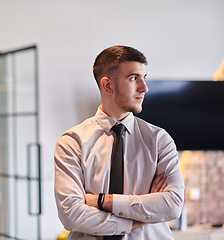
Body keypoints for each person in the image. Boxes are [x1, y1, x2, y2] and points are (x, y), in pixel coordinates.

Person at [54, 45, 185, 240]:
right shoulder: (72, 142)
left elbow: (173, 205)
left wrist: (103, 201)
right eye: (134, 78)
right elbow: (72, 215)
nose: (144, 88)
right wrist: (139, 217)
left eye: (144, 78)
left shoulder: (159, 139)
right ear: (108, 85)